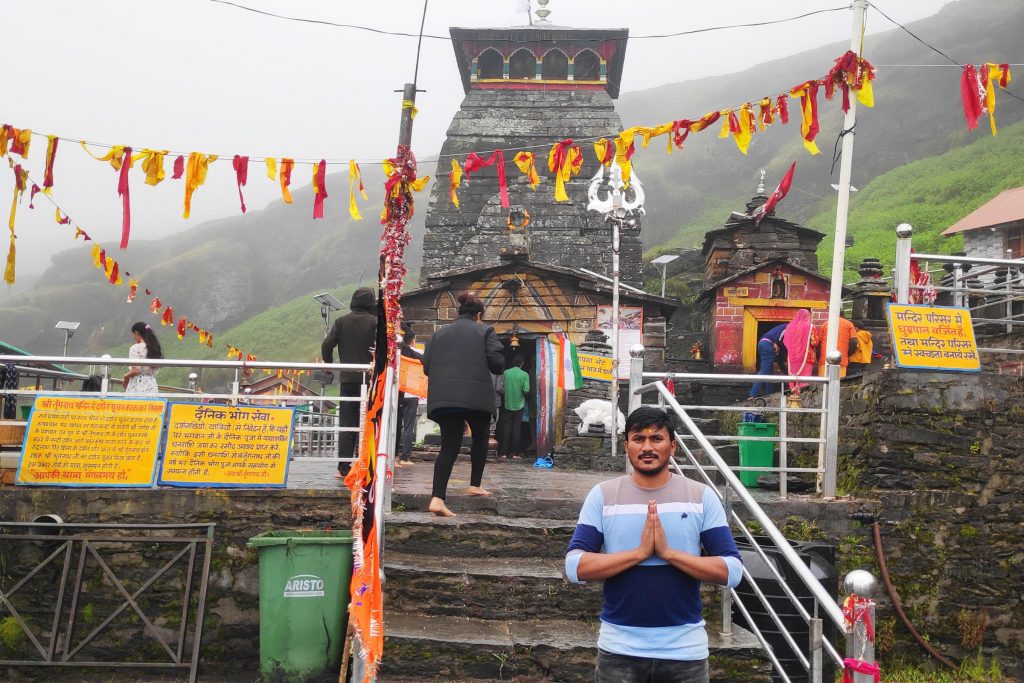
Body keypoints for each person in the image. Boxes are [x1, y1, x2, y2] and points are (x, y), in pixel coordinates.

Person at [565, 406, 742, 682]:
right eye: (638, 439)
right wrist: (639, 553)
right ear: (626, 446)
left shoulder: (700, 497)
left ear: (672, 445)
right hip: (618, 652)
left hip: (686, 654)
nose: (647, 447)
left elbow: (732, 570)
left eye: (656, 439)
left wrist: (669, 553)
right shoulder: (603, 496)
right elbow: (575, 565)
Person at [422, 292, 505, 517]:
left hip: (444, 398)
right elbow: (497, 364)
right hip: (476, 396)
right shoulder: (485, 331)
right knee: (480, 436)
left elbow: (427, 367)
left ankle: (437, 498)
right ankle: (475, 484)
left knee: (449, 447)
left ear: (459, 313)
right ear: (479, 315)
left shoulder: (438, 335)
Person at [321, 287, 377, 478]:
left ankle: (343, 468)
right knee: (371, 421)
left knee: (347, 423)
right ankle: (368, 464)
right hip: (370, 381)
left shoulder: (341, 321)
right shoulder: (375, 322)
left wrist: (328, 364)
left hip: (348, 380)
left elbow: (327, 345)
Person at [395, 324, 422, 467]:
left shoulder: (394, 352)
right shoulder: (415, 352)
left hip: (397, 393)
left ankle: (394, 456)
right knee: (409, 427)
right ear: (412, 340)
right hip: (411, 394)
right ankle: (405, 457)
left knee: (395, 425)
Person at [500, 354, 530, 461]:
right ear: (522, 363)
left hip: (507, 404)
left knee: (506, 428)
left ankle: (503, 453)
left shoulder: (506, 373)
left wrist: (506, 393)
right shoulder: (524, 374)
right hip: (519, 405)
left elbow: (501, 387)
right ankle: (515, 453)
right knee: (516, 429)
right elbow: (526, 390)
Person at [749, 322, 788, 399]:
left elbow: (780, 361)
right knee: (764, 371)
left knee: (769, 372)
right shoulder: (787, 327)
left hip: (762, 343)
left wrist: (788, 375)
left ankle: (769, 394)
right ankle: (752, 395)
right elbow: (779, 336)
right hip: (768, 344)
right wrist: (774, 342)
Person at [122, 322, 162, 394]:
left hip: (138, 385)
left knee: (136, 404)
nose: (134, 337)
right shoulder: (154, 348)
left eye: (133, 335)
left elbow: (136, 370)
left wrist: (126, 376)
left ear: (137, 333)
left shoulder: (135, 348)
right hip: (152, 384)